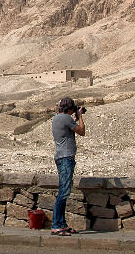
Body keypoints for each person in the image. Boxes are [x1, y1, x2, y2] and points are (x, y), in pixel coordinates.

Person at [51, 96, 86, 236]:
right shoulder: (66, 118)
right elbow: (82, 131)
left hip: (62, 157)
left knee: (64, 191)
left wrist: (75, 118)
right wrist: (80, 117)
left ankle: (62, 224)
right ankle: (56, 225)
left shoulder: (57, 117)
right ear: (70, 108)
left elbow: (69, 129)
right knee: (63, 192)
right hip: (65, 158)